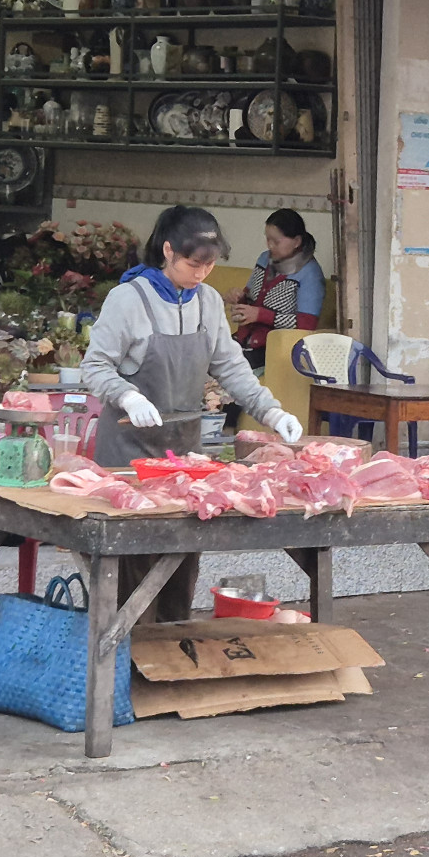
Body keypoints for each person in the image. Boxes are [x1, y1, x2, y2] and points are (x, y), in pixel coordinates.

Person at [82, 205, 305, 620]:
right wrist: (128, 396)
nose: (201, 273)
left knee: (179, 566)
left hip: (184, 461)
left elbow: (231, 366)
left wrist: (272, 412)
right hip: (128, 459)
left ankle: (172, 647)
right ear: (167, 251)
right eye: (193, 264)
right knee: (130, 569)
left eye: (210, 265)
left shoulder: (207, 302)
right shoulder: (128, 299)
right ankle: (122, 654)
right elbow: (94, 366)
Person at [225, 208, 326, 368]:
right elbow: (250, 297)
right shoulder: (264, 259)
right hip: (244, 341)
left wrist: (261, 315)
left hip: (275, 351)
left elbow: (307, 325)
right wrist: (238, 297)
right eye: (268, 239)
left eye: (276, 241)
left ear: (296, 242)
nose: (270, 246)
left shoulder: (310, 273)